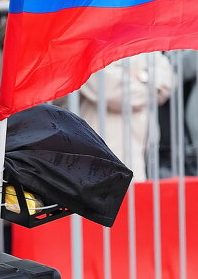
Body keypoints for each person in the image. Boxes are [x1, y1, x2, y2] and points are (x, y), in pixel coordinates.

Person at [67, 53, 176, 182]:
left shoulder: (144, 42)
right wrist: (148, 82)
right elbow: (109, 90)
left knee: (139, 197)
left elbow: (168, 79)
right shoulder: (91, 46)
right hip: (102, 148)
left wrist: (136, 78)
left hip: (144, 152)